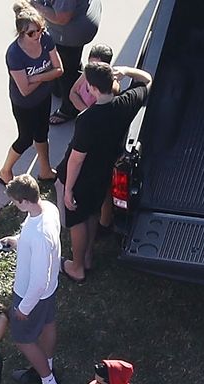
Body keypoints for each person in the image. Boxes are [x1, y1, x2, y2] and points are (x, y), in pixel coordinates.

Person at [60, 61, 152, 279]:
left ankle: (77, 268)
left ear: (91, 88)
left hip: (83, 177)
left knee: (77, 219)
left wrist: (68, 190)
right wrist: (127, 71)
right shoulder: (126, 102)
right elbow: (147, 79)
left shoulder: (87, 119)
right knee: (92, 212)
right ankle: (89, 257)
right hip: (104, 172)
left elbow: (76, 160)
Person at [1, 176, 66, 384]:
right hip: (48, 293)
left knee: (23, 339)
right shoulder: (47, 208)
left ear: (25, 201)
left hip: (31, 296)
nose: (15, 206)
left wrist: (24, 308)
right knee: (48, 325)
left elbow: (38, 280)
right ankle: (44, 366)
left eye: (16, 203)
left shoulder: (39, 236)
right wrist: (16, 241)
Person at [2, 8, 64, 183]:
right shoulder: (14, 53)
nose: (37, 35)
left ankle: (45, 170)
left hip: (43, 97)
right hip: (24, 104)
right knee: (25, 139)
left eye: (40, 30)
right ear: (21, 33)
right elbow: (25, 90)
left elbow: (59, 69)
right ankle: (6, 170)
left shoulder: (46, 39)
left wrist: (36, 77)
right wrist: (47, 74)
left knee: (42, 133)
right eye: (31, 33)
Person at [28, 0, 102, 122]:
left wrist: (34, 5)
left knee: (66, 71)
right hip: (81, 17)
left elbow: (62, 18)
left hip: (71, 33)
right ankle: (69, 84)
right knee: (70, 62)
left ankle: (69, 108)